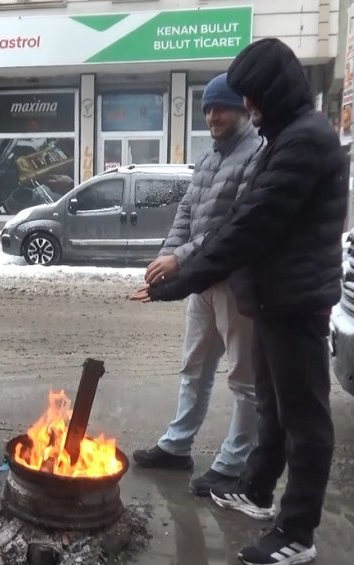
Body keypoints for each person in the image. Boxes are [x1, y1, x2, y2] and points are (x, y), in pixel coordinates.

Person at [130, 38, 346, 565]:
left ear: (271, 91)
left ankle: (297, 533)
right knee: (274, 408)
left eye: (246, 98)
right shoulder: (283, 138)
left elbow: (247, 227)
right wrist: (176, 271)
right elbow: (205, 218)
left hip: (295, 302)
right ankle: (254, 489)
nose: (241, 108)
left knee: (304, 421)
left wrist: (179, 279)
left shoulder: (302, 142)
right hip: (271, 298)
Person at [131, 74, 265, 498]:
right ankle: (177, 446)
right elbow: (186, 214)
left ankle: (234, 462)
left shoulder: (257, 155)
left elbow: (235, 227)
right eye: (207, 108)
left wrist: (180, 257)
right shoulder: (208, 160)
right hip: (203, 282)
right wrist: (167, 257)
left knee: (243, 377)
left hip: (238, 283)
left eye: (221, 107)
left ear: (243, 109)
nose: (213, 115)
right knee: (194, 368)